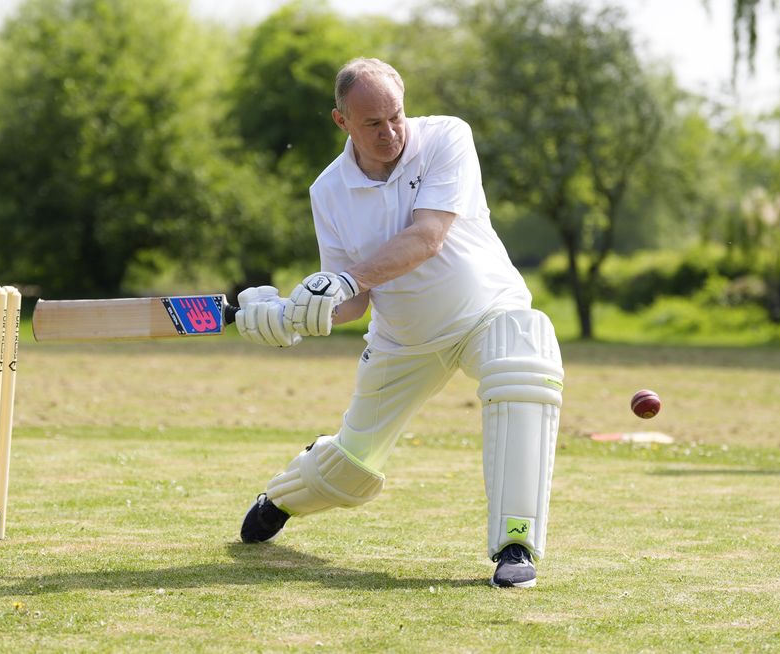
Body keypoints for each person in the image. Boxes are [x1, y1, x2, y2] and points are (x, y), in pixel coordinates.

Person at [233, 58, 564, 589]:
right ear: (341, 121)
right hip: (403, 339)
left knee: (523, 363)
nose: (389, 133)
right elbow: (350, 302)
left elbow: (427, 237)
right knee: (351, 466)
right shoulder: (328, 191)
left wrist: (342, 282)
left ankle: (515, 543)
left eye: (396, 117)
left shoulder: (446, 138)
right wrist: (292, 316)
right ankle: (281, 497)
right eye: (372, 123)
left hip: (487, 310)